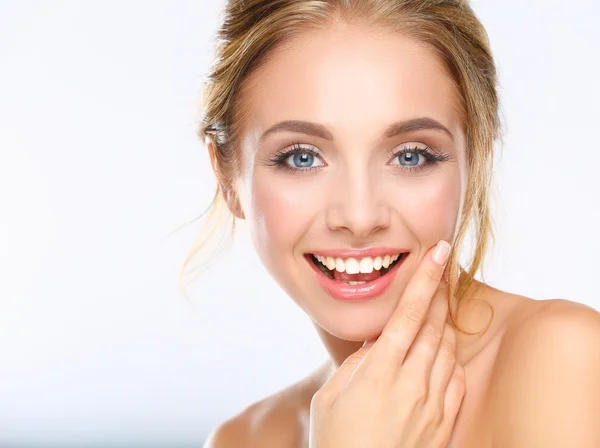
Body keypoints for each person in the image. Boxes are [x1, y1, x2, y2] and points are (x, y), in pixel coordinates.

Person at [185, 0, 600, 446]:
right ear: (227, 177)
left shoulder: (567, 362)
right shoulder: (244, 439)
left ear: (473, 160)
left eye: (410, 156)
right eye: (302, 157)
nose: (361, 217)